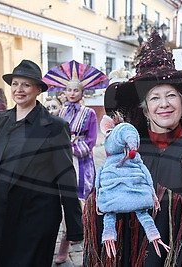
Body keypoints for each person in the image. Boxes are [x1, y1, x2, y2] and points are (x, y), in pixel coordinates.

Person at [84, 30, 182, 266]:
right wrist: (109, 182)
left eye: (171, 95)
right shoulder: (128, 154)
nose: (164, 104)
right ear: (145, 109)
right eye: (155, 98)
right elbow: (102, 213)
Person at [0, 60, 83, 266]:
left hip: (34, 219)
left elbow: (66, 175)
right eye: (15, 83)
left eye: (26, 84)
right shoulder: (0, 120)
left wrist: (74, 225)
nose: (19, 90)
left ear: (38, 89)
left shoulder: (54, 127)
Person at [43, 60, 108, 264]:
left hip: (81, 162)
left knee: (79, 201)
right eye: (69, 89)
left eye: (75, 90)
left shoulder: (88, 114)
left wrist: (71, 147)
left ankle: (75, 236)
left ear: (82, 93)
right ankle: (67, 236)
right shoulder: (59, 112)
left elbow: (91, 141)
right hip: (59, 160)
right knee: (62, 199)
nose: (72, 93)